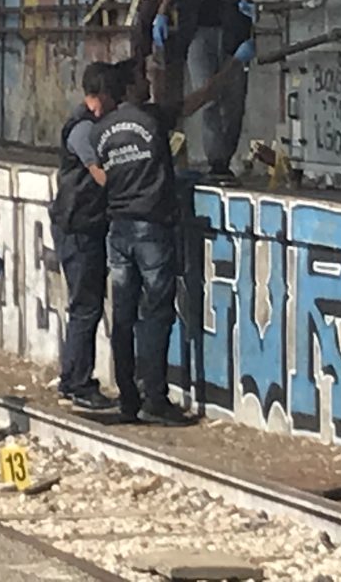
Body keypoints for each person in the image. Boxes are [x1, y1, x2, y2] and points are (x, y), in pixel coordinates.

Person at [91, 55, 244, 425]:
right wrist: (231, 68)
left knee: (123, 316)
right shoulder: (152, 118)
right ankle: (155, 398)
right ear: (128, 87)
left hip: (118, 230)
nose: (149, 82)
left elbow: (104, 177)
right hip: (152, 230)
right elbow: (199, 99)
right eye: (142, 78)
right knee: (157, 314)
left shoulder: (100, 132)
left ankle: (128, 397)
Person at [152, 0, 258, 184]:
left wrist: (246, 5)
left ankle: (225, 153)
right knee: (207, 92)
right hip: (197, 25)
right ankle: (217, 162)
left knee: (235, 97)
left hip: (232, 24)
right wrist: (162, 13)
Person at [48, 62, 121, 411]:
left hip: (84, 223)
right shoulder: (83, 130)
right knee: (85, 306)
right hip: (77, 226)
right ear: (99, 96)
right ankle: (77, 382)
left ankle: (73, 378)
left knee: (85, 306)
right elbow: (101, 175)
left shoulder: (91, 126)